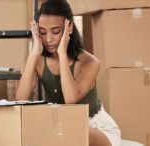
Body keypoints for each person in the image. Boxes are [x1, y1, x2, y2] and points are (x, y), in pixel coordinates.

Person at [15, 0, 121, 146]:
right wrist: (34, 54)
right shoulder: (38, 60)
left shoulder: (90, 62)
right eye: (42, 32)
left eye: (56, 31)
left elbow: (71, 99)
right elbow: (20, 99)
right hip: (60, 126)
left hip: (94, 128)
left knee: (77, 132)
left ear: (69, 27)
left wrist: (62, 54)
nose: (48, 39)